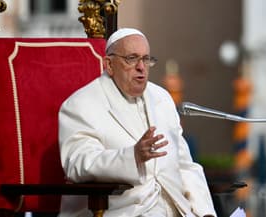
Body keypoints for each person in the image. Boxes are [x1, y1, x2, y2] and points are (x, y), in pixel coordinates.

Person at [58, 28, 217, 217]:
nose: (141, 67)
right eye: (132, 59)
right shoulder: (81, 104)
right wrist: (131, 157)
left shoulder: (162, 98)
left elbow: (184, 165)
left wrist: (205, 212)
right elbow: (78, 163)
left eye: (146, 59)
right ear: (109, 64)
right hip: (123, 211)